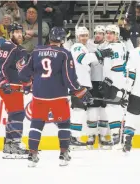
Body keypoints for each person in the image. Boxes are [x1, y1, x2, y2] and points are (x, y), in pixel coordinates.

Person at [18, 27, 92, 167]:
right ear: (62, 39)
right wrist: (80, 91)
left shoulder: (36, 51)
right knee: (63, 123)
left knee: (36, 124)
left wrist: (27, 86)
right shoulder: (64, 53)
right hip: (58, 96)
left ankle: (32, 154)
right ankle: (63, 155)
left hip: (39, 95)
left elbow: (23, 74)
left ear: (49, 38)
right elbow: (69, 78)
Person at [70, 26, 113, 150]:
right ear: (77, 37)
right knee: (79, 110)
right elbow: (82, 59)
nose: (84, 38)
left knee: (80, 110)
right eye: (81, 35)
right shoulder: (78, 47)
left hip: (83, 83)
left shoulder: (84, 47)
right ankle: (75, 138)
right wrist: (100, 54)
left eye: (85, 35)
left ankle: (75, 138)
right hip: (79, 83)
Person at [0, 23, 28, 159]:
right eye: (16, 32)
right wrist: (3, 81)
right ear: (10, 33)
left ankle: (9, 145)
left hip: (14, 84)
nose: (19, 34)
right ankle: (14, 144)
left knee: (14, 114)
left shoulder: (18, 48)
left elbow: (20, 69)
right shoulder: (8, 46)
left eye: (20, 32)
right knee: (18, 113)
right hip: (8, 85)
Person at [100, 24, 128, 149]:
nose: (108, 35)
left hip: (115, 82)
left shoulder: (114, 47)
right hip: (118, 82)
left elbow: (117, 67)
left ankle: (116, 135)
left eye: (111, 33)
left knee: (112, 108)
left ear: (116, 34)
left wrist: (108, 82)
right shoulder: (120, 46)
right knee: (116, 108)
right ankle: (119, 136)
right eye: (107, 33)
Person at [84, 25, 112, 149]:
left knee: (104, 109)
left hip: (106, 81)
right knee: (92, 109)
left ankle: (103, 134)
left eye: (101, 33)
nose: (98, 35)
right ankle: (91, 135)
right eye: (96, 33)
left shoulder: (109, 45)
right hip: (92, 81)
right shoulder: (88, 45)